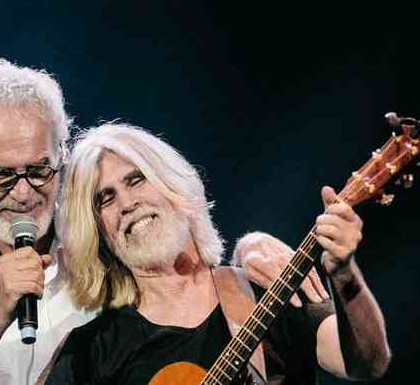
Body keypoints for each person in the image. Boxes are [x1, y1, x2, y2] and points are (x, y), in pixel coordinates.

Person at [0, 59, 330, 385]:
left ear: (61, 153)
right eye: (2, 174)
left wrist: (251, 247)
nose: (23, 193)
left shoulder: (97, 231)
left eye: (40, 170)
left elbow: (179, 241)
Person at [42, 123, 391, 384]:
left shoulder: (268, 286)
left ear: (173, 186)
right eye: (106, 198)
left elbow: (367, 364)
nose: (128, 203)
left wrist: (344, 273)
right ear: (98, 232)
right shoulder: (91, 352)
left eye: (136, 180)